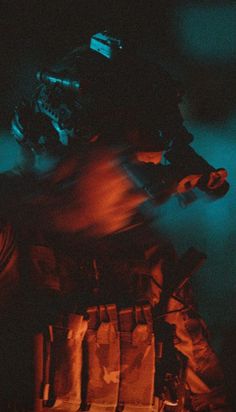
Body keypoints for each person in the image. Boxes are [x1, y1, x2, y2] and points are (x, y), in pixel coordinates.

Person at [0, 32, 231, 411]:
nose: (141, 194)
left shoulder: (151, 262)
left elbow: (206, 397)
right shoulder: (11, 238)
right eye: (130, 169)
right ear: (72, 154)